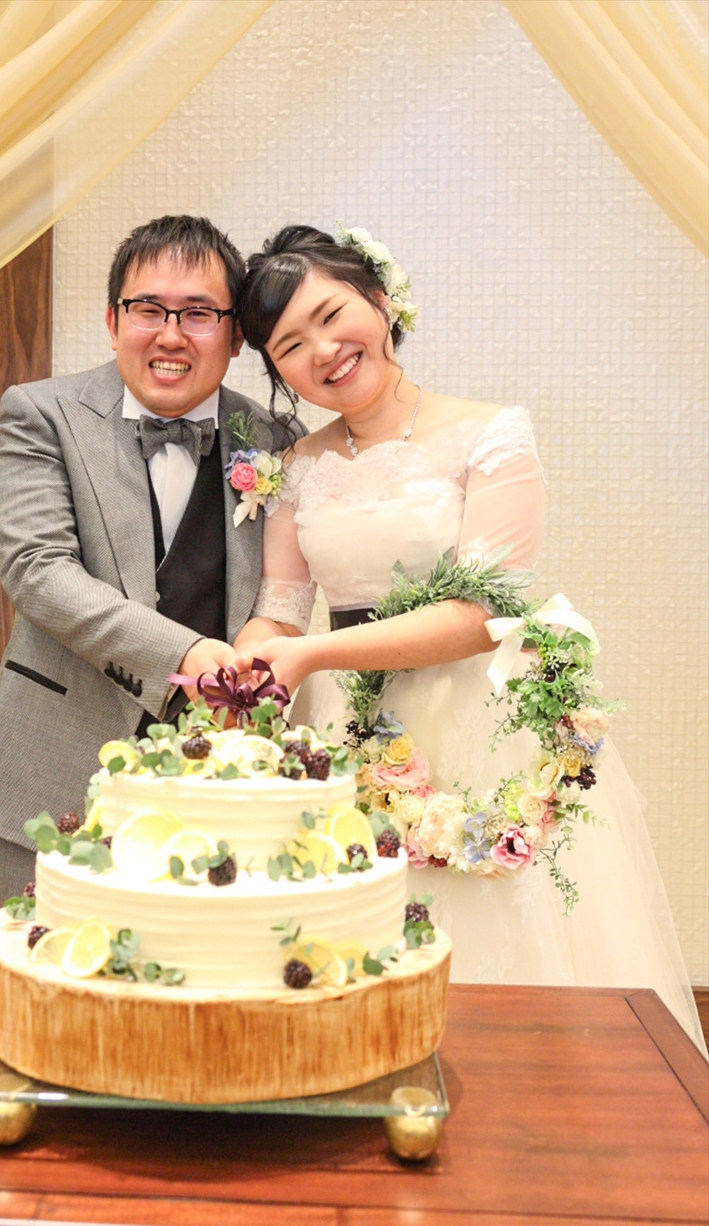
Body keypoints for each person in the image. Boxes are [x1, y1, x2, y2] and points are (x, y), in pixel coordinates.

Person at [233, 224, 704, 1048]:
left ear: (379, 301)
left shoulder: (489, 434)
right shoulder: (293, 468)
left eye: (331, 316)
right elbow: (279, 609)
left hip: (481, 721)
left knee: (496, 930)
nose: (322, 352)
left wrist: (311, 653)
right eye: (290, 347)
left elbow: (480, 613)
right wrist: (241, 664)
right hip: (344, 728)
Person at [0, 215, 301, 902]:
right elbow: (37, 571)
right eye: (148, 309)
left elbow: (283, 592)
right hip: (58, 771)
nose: (171, 335)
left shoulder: (274, 438)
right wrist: (185, 653)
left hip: (218, 785)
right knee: (52, 960)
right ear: (113, 322)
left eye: (198, 313)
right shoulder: (42, 413)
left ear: (236, 335)